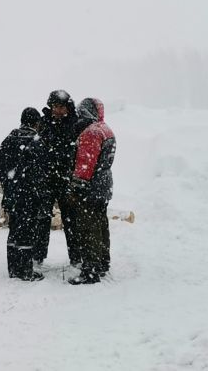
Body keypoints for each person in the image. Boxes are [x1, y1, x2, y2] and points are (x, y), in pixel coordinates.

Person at [66, 98, 117, 285]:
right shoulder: (106, 129)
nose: (79, 115)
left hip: (91, 187)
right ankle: (103, 262)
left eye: (82, 111)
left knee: (88, 228)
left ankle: (90, 270)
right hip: (104, 185)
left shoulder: (91, 133)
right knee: (101, 225)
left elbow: (85, 165)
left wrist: (75, 188)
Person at [0, 107, 49, 281]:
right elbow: (41, 172)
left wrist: (9, 186)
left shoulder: (7, 140)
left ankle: (13, 269)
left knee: (14, 230)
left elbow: (1, 170)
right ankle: (26, 271)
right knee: (27, 231)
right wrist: (38, 191)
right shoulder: (36, 141)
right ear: (36, 122)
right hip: (29, 195)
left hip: (12, 194)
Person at [40, 90, 81, 266]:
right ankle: (38, 256)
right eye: (55, 106)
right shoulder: (44, 123)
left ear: (67, 107)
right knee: (42, 220)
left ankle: (76, 257)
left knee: (71, 220)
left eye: (61, 106)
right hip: (47, 179)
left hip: (67, 179)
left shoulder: (75, 124)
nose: (57, 110)